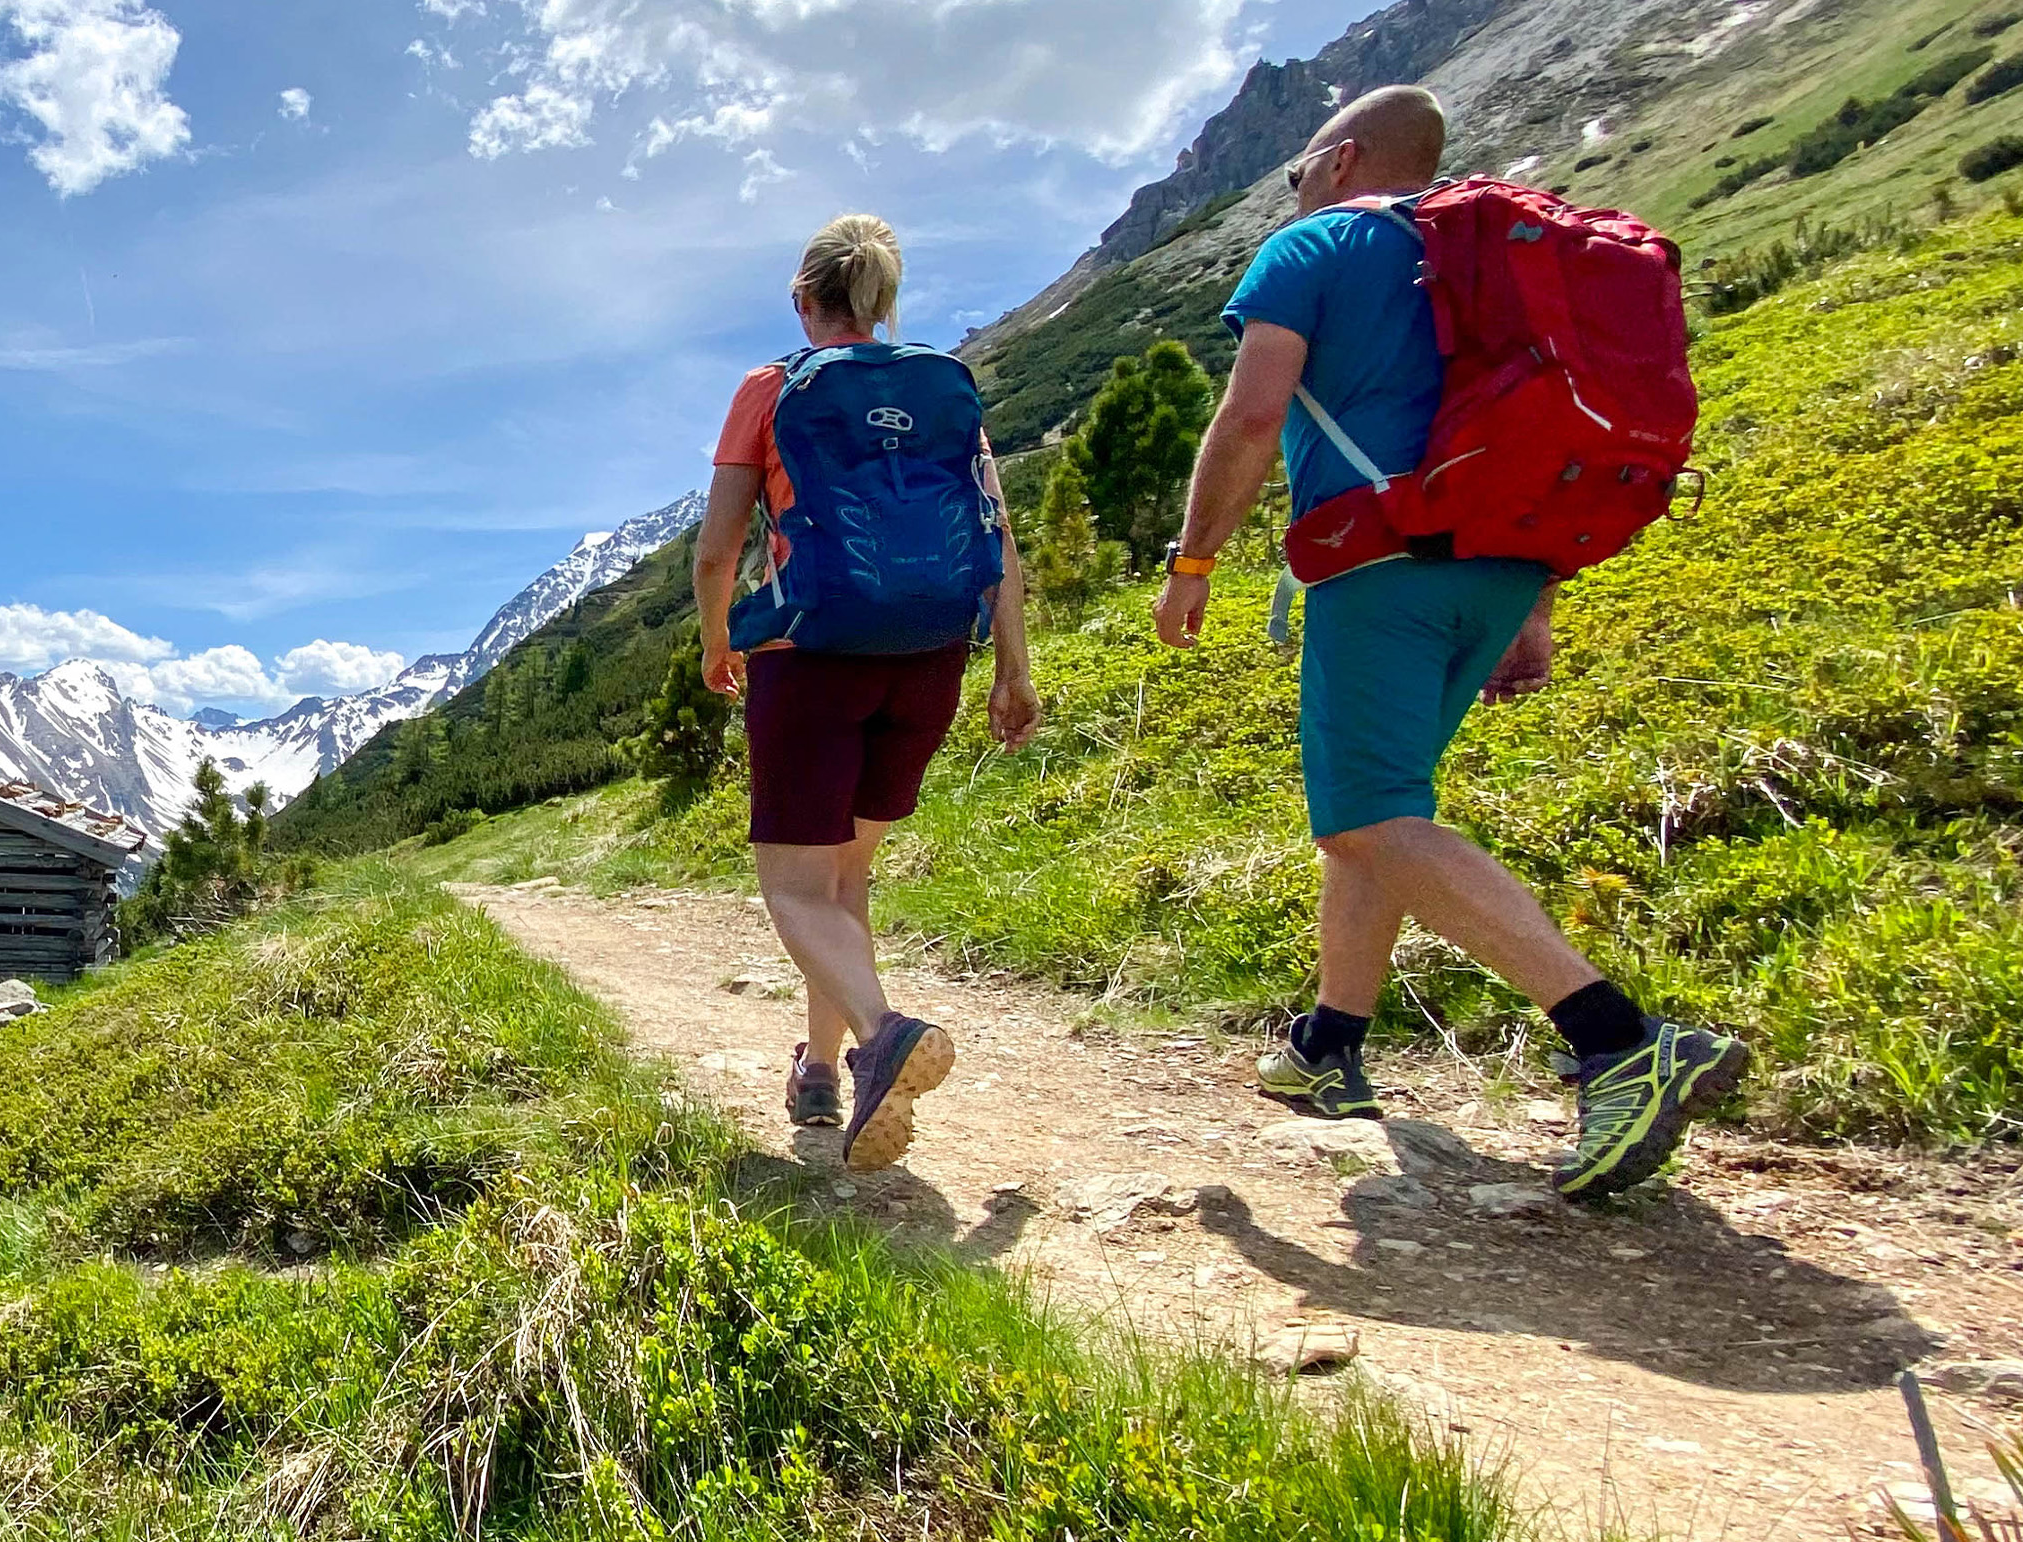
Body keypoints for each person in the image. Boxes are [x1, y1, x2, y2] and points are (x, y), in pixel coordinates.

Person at [1151, 86, 1747, 1202]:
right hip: (1503, 562)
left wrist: (1194, 563)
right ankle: (1328, 1046)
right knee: (1384, 818)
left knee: (1369, 816)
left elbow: (1250, 415)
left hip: (1383, 565)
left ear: (1345, 158)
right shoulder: (1485, 255)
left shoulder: (1316, 244)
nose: (1292, 186)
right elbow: (1522, 425)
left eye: (1297, 167)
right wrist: (1533, 605)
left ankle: (1617, 1038)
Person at [694, 213, 1039, 1173]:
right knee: (845, 877)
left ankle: (881, 1034)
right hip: (930, 657)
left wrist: (719, 641)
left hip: (812, 657)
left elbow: (720, 547)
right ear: (883, 304)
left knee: (793, 885)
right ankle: (819, 1066)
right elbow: (995, 538)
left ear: (805, 299)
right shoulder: (943, 392)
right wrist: (1013, 666)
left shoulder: (771, 390)